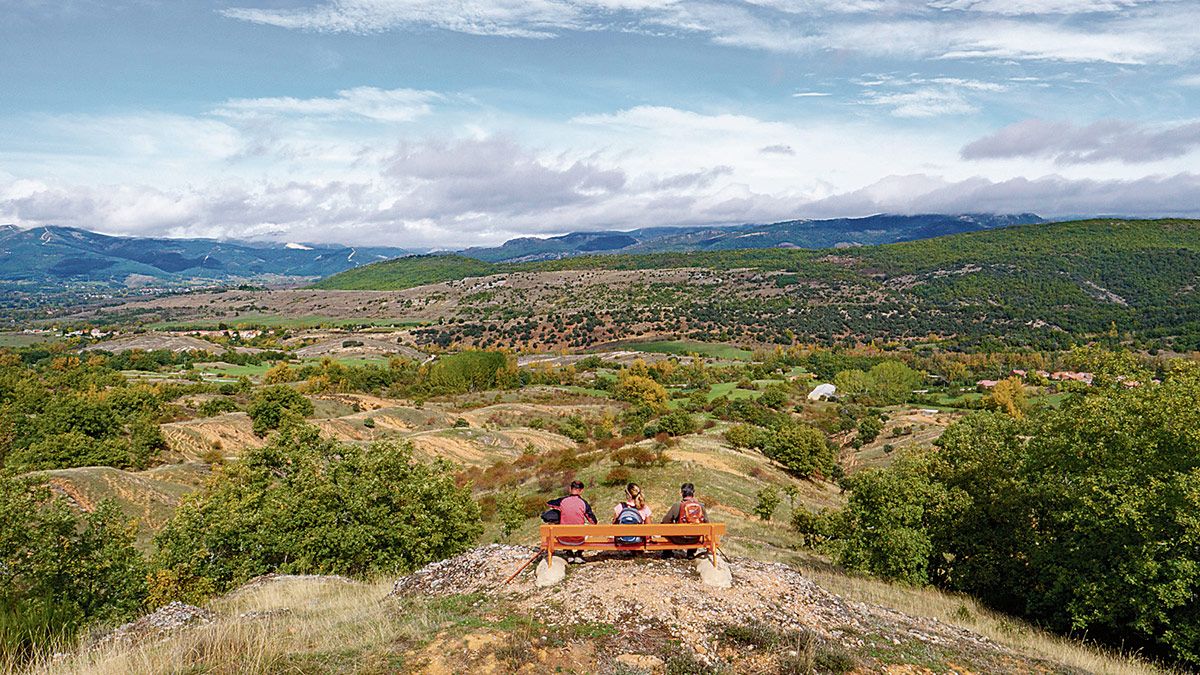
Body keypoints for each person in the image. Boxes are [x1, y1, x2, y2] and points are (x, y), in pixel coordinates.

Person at [546, 480, 597, 564]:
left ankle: (569, 554)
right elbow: (593, 522)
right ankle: (578, 554)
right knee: (586, 528)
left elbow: (549, 503)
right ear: (581, 490)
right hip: (579, 540)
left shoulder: (562, 501)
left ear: (570, 489)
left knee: (562, 525)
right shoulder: (584, 503)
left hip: (563, 539)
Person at [661, 482, 708, 559]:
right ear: (694, 492)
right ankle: (690, 553)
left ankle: (667, 552)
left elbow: (665, 521)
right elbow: (707, 523)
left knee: (664, 528)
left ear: (682, 493)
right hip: (695, 539)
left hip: (679, 538)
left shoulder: (677, 505)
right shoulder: (700, 506)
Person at [612, 483, 652, 548]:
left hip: (622, 539)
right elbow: (649, 527)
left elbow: (614, 525)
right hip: (638, 539)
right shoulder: (644, 507)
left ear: (628, 495)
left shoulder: (620, 506)